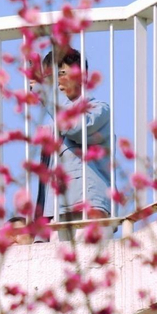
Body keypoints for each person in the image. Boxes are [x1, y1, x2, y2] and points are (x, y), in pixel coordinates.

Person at [37, 47, 110, 230]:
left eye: (61, 73)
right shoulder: (52, 127)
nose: (57, 83)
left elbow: (76, 127)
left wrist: (47, 94)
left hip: (88, 207)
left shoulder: (98, 109)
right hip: (56, 213)